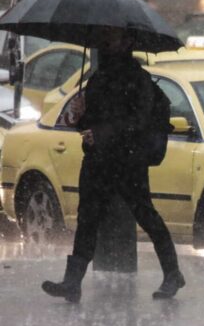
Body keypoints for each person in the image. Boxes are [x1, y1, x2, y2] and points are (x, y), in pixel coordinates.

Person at [42, 29, 184, 303]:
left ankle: (172, 273)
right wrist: (78, 116)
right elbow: (90, 122)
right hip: (98, 160)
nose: (106, 42)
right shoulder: (98, 78)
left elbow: (139, 121)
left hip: (128, 161)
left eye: (112, 38)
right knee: (88, 219)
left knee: (145, 214)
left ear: (127, 42)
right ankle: (73, 282)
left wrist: (103, 133)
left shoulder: (138, 80)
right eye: (104, 38)